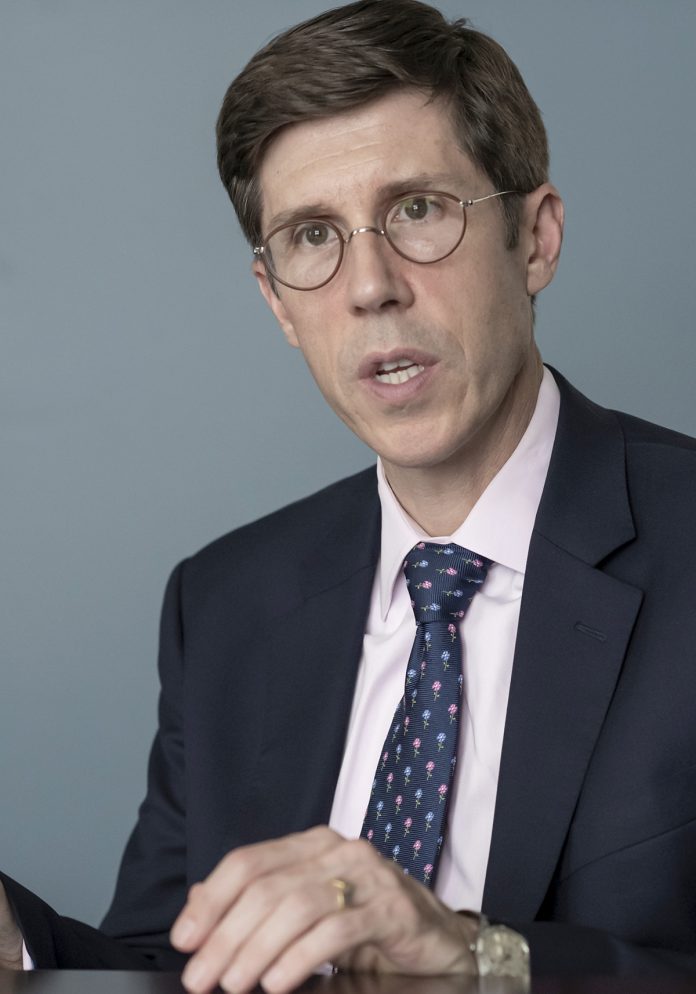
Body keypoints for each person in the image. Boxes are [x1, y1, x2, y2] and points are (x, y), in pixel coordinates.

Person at [2, 0, 696, 990]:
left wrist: (483, 964)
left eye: (418, 210)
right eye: (313, 235)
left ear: (536, 239)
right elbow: (173, 964)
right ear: (277, 302)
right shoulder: (224, 603)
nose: (369, 286)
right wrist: (21, 943)